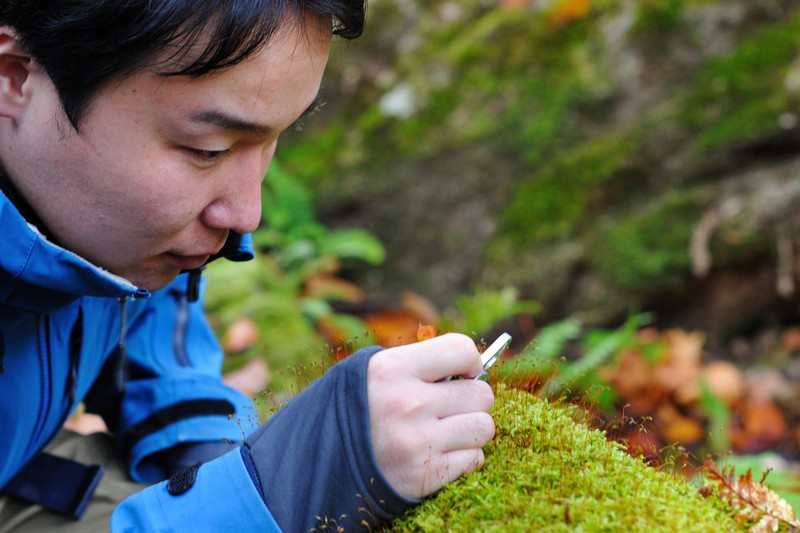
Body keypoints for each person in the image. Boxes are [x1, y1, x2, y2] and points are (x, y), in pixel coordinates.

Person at [0, 1, 496, 531]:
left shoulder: (120, 237)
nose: (246, 215)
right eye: (208, 150)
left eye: (275, 139)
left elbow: (146, 321)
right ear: (15, 77)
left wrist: (211, 452)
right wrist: (282, 488)